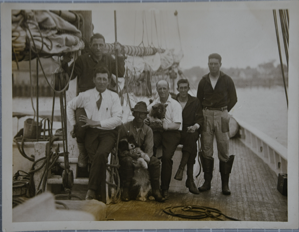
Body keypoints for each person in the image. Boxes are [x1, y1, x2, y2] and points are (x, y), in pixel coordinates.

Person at [62, 33, 125, 168]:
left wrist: (119, 55)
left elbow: (120, 72)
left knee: (114, 124)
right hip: (86, 101)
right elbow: (70, 75)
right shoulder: (82, 60)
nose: (98, 48)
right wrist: (64, 62)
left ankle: (109, 149)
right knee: (80, 124)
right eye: (95, 45)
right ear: (90, 46)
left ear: (104, 46)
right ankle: (83, 152)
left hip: (105, 100)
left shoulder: (109, 59)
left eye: (100, 45)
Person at [67, 66, 122, 202]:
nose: (102, 82)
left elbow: (117, 119)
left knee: (101, 154)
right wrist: (74, 124)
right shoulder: (85, 95)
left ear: (108, 81)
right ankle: (101, 198)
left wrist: (96, 122)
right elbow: (70, 106)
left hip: (108, 133)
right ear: (94, 80)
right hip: (91, 133)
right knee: (97, 160)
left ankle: (91, 191)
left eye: (104, 79)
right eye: (99, 79)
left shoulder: (114, 96)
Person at [196, 53, 237, 195]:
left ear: (220, 64)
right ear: (208, 64)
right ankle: (207, 182)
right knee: (206, 148)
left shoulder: (227, 80)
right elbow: (199, 100)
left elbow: (234, 99)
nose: (212, 66)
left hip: (222, 114)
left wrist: (224, 112)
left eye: (215, 63)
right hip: (206, 115)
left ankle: (225, 185)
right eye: (210, 63)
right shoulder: (203, 81)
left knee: (224, 148)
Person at [118, 101, 165, 202]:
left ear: (145, 116)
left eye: (143, 113)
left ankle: (156, 190)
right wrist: (131, 154)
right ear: (133, 114)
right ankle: (125, 190)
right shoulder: (125, 127)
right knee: (127, 161)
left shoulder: (148, 130)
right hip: (128, 155)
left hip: (142, 156)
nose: (140, 116)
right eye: (138, 113)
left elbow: (149, 151)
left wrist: (142, 156)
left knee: (155, 162)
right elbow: (120, 148)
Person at [146, 80, 182, 200]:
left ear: (168, 89)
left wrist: (164, 126)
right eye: (159, 88)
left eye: (164, 88)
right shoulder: (153, 104)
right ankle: (153, 187)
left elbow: (177, 125)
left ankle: (165, 188)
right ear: (157, 89)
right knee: (150, 153)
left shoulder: (175, 104)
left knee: (167, 157)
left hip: (172, 132)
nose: (162, 91)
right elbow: (147, 116)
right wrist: (148, 120)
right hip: (157, 132)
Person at [173, 79, 203, 195]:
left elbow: (200, 118)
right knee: (192, 147)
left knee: (191, 137)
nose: (184, 90)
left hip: (189, 130)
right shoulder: (173, 101)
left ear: (188, 88)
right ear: (177, 89)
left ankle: (183, 171)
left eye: (186, 87)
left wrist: (195, 126)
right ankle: (189, 180)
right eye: (181, 88)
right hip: (175, 131)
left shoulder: (195, 101)